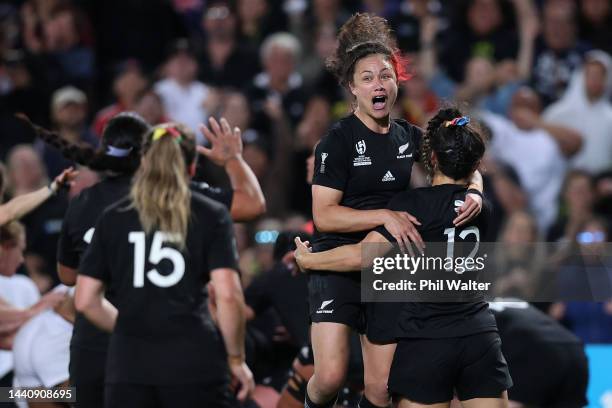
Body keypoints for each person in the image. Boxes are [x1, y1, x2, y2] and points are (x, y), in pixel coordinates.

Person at [305, 14, 484, 408]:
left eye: (385, 75)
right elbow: (325, 216)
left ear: (397, 81)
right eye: (367, 78)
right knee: (331, 377)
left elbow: (461, 160)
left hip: (386, 264)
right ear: (352, 88)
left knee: (381, 391)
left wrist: (476, 191)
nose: (378, 84)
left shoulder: (410, 136)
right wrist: (384, 216)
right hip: (338, 260)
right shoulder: (336, 142)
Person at [296, 108, 512, 407]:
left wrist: (310, 260)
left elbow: (363, 256)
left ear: (432, 158)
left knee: (375, 389)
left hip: (428, 338)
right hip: (479, 335)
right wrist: (475, 189)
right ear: (476, 163)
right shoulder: (482, 209)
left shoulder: (413, 206)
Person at [74, 123, 254, 407]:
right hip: (193, 362)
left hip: (129, 366)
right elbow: (229, 295)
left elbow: (84, 300)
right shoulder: (210, 214)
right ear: (192, 168)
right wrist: (236, 359)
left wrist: (130, 326)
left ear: (144, 162)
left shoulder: (113, 217)